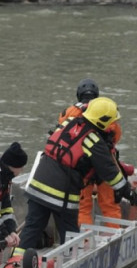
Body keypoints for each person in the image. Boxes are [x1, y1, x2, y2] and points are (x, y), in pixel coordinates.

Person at [15, 97, 137, 258]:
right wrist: (128, 192)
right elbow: (110, 172)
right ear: (103, 121)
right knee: (70, 235)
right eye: (111, 122)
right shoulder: (93, 140)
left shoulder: (69, 122)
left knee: (32, 227)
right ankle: (68, 264)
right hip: (62, 195)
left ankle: (16, 262)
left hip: (37, 186)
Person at [56, 79, 132, 227]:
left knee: (82, 208)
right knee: (110, 206)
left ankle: (83, 243)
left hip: (81, 167)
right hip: (106, 166)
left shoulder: (68, 113)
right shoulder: (107, 111)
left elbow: (62, 136)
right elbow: (116, 136)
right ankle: (114, 236)